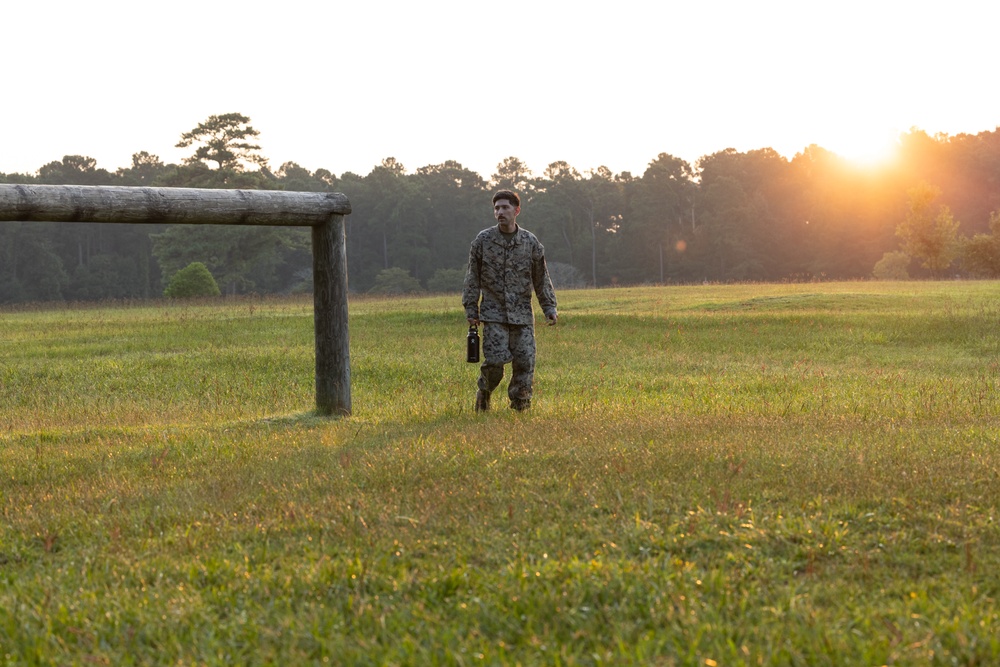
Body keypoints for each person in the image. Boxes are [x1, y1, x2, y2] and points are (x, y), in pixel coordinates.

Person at [462, 189, 558, 412]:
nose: (500, 212)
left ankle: (520, 408)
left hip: (522, 315)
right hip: (493, 313)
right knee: (495, 361)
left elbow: (541, 278)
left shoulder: (530, 242)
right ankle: (484, 392)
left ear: (517, 210)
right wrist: (471, 308)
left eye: (505, 207)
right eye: (496, 208)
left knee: (525, 362)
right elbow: (472, 277)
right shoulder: (483, 241)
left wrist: (549, 306)